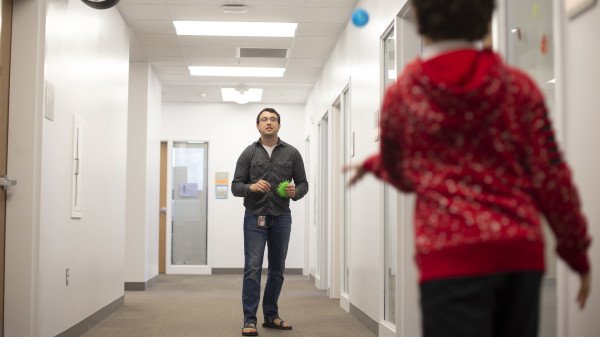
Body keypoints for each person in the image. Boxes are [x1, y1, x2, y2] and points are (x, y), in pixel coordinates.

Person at [345, 1, 591, 336]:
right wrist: (575, 250)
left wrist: (377, 167)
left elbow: (403, 174)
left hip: (448, 255)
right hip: (518, 253)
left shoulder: (402, 94)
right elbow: (550, 175)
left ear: (420, 21)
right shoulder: (518, 87)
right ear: (486, 18)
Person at [232, 107, 309, 336]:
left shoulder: (292, 153)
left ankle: (271, 315)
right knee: (253, 269)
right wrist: (252, 187)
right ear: (258, 126)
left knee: (277, 270)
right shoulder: (249, 153)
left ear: (279, 125)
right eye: (264, 119)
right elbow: (236, 186)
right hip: (254, 217)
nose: (268, 122)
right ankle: (249, 320)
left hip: (282, 218)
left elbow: (304, 183)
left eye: (272, 119)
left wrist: (296, 192)